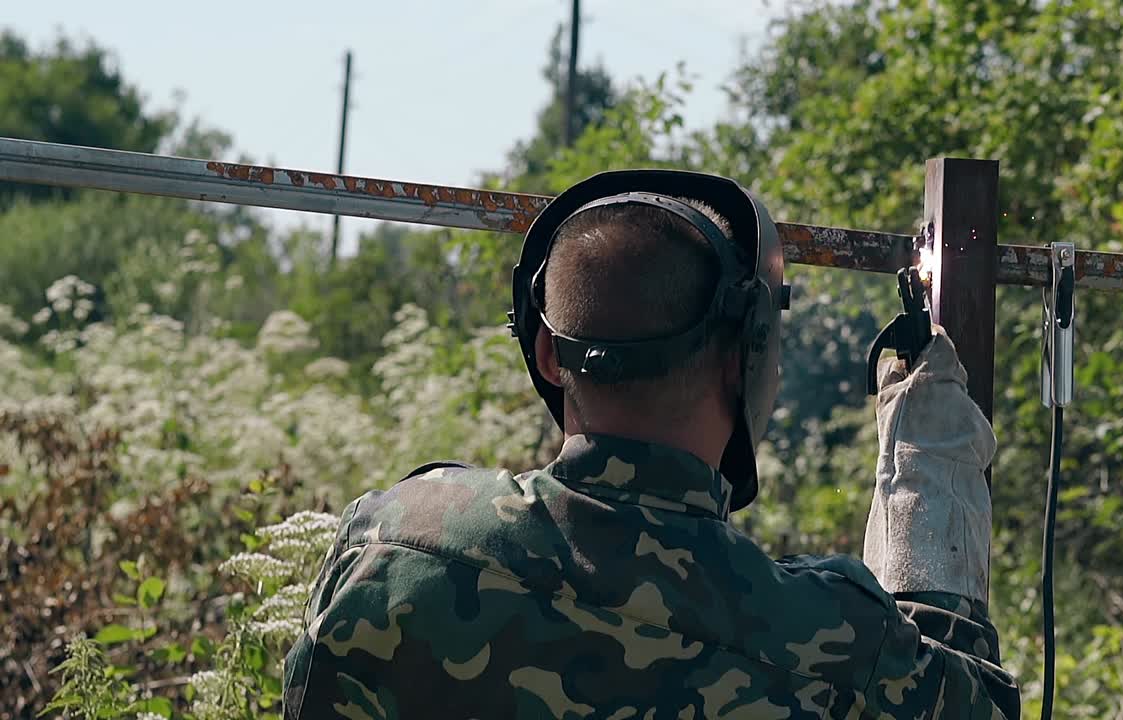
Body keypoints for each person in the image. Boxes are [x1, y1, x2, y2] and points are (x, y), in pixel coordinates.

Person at [283, 170, 1020, 719]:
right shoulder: (832, 642)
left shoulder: (393, 547)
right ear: (747, 352)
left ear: (545, 351)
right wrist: (927, 467)